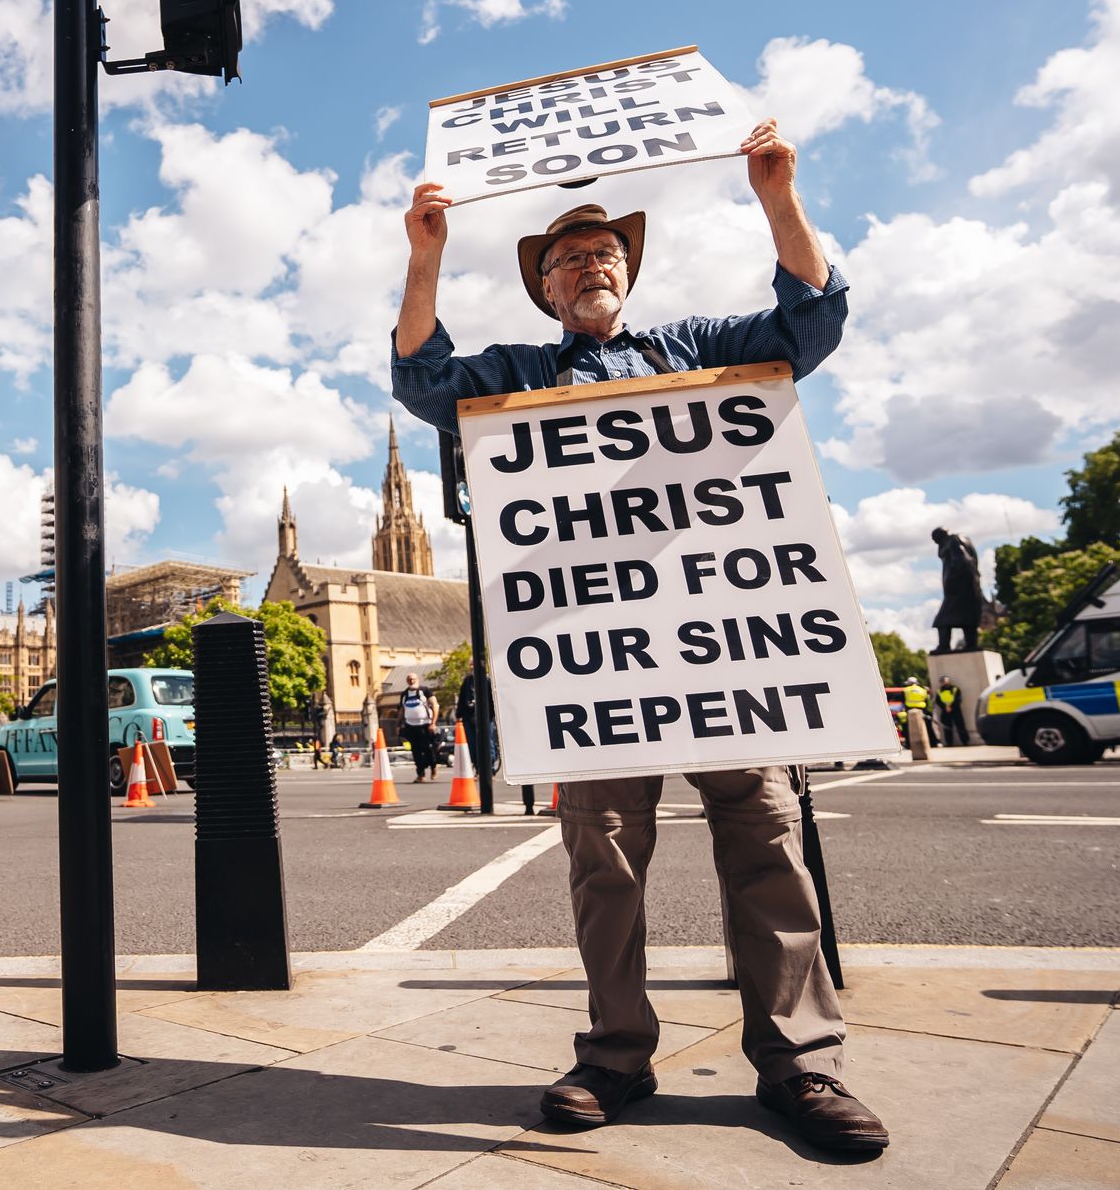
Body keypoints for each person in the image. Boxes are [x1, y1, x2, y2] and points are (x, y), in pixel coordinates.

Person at [390, 119, 887, 1155]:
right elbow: (422, 381)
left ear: (626, 269)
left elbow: (809, 326)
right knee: (602, 864)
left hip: (721, 645)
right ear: (544, 289)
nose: (588, 264)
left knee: (765, 840)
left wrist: (776, 197)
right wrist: (424, 259)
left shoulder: (699, 349)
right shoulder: (522, 370)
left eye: (603, 251)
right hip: (592, 663)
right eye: (568, 259)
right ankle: (615, 1053)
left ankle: (799, 1063)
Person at [400, 672, 437, 781]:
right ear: (407, 681)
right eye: (410, 679)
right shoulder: (404, 694)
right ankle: (421, 774)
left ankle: (433, 766)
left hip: (425, 725)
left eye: (413, 679)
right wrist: (399, 724)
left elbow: (435, 705)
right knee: (415, 751)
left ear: (417, 679)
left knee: (426, 748)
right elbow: (402, 710)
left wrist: (433, 723)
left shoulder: (425, 691)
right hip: (410, 726)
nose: (412, 681)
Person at [935, 676, 967, 747]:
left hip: (955, 710)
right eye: (943, 681)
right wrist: (945, 707)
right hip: (945, 711)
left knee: (960, 726)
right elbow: (938, 701)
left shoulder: (955, 689)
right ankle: (949, 743)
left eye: (945, 681)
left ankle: (965, 742)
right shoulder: (939, 690)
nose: (944, 683)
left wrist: (951, 707)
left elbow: (958, 699)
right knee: (947, 728)